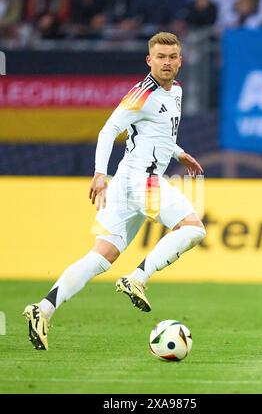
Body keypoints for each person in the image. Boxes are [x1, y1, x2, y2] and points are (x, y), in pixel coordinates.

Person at [23, 31, 206, 350]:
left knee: (101, 257)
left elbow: (156, 134)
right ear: (149, 60)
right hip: (141, 180)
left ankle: (42, 309)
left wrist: (178, 153)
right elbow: (108, 130)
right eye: (160, 57)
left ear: (180, 60)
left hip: (127, 183)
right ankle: (137, 278)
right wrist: (98, 174)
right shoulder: (141, 94)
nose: (166, 63)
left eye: (171, 57)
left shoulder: (175, 90)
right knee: (193, 229)